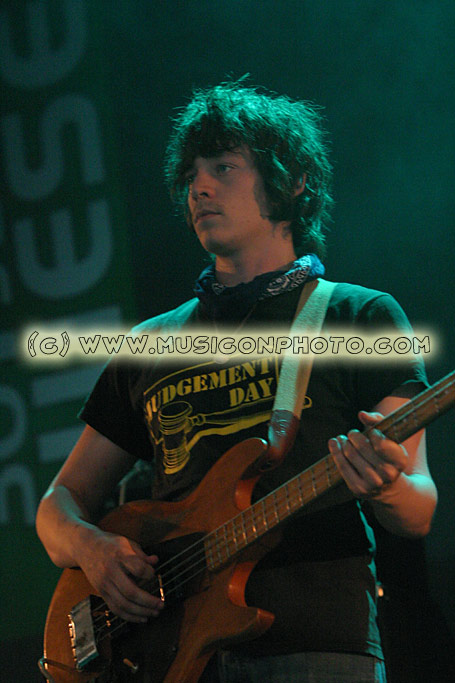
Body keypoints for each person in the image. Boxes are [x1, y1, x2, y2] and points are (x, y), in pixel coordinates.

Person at [36, 80, 438, 682]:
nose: (199, 187)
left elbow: (419, 507)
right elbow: (58, 506)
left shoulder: (359, 315)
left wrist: (385, 486)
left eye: (223, 167)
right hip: (172, 657)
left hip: (316, 647)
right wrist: (93, 551)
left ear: (292, 181)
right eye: (192, 174)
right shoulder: (151, 343)